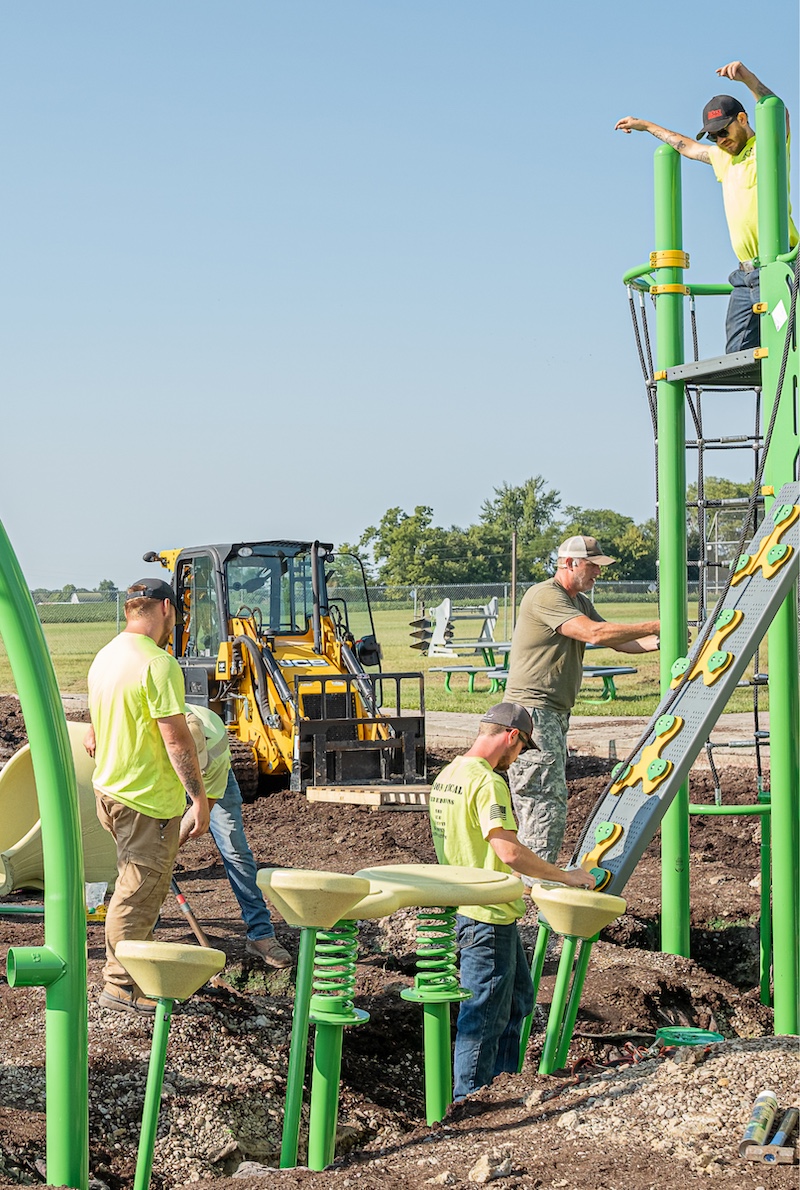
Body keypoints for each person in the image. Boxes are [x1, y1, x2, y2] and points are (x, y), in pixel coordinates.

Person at [429, 702, 594, 1099]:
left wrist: (509, 880)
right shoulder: (488, 781)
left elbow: (464, 843)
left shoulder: (448, 775)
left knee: (518, 999)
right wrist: (565, 876)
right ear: (512, 736)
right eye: (520, 750)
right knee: (482, 1016)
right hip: (487, 915)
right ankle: (468, 1102)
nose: (516, 759)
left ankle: (502, 1086)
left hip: (472, 904)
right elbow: (509, 851)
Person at [616, 60, 799, 355]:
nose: (719, 141)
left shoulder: (765, 147)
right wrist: (646, 125)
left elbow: (780, 114)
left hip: (780, 267)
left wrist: (748, 79)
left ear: (742, 119)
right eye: (713, 136)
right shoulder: (723, 158)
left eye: (723, 132)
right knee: (738, 355)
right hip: (745, 276)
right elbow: (685, 146)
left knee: (785, 350)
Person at [86, 579, 210, 1013]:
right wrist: (199, 800)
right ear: (165, 608)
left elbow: (94, 733)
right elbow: (176, 740)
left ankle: (134, 972)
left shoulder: (106, 656)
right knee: (136, 897)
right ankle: (121, 986)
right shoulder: (157, 664)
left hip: (111, 791)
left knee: (133, 886)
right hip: (146, 802)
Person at [504, 537, 659, 867]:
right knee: (543, 802)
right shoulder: (546, 595)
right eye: (593, 566)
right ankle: (535, 884)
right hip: (533, 713)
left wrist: (664, 639)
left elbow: (617, 640)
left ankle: (532, 879)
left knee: (546, 801)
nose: (598, 574)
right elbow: (595, 635)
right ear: (569, 563)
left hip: (552, 713)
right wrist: (656, 623)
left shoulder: (578, 601)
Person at [180, 704, 292, 969]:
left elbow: (201, 809)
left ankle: (260, 935)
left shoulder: (215, 743)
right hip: (162, 776)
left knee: (234, 849)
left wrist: (173, 843)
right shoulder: (153, 738)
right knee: (150, 850)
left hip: (213, 780)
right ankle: (143, 934)